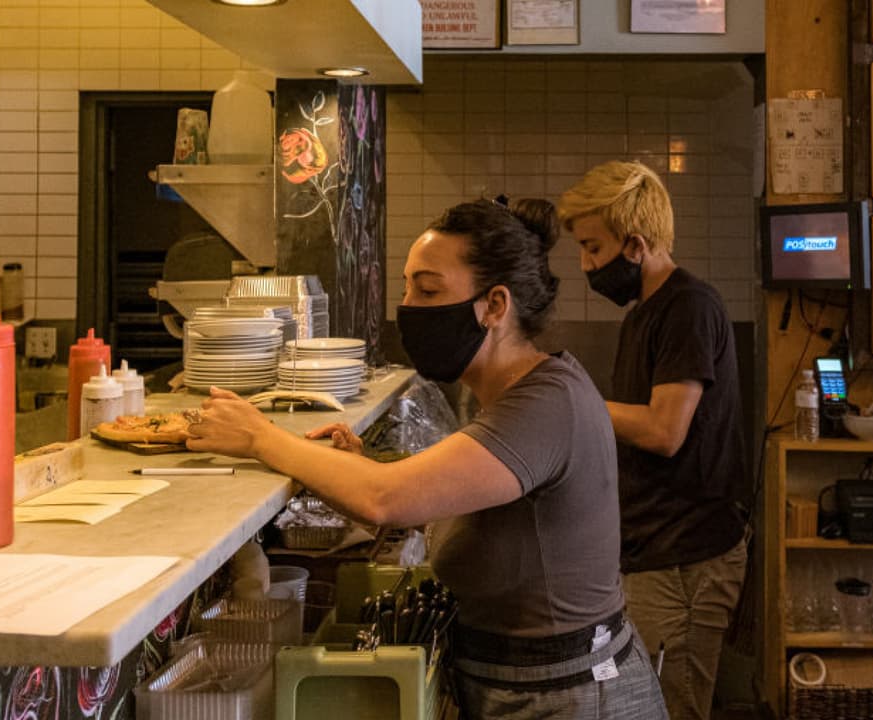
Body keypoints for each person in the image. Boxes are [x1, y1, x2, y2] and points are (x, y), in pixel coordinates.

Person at [187, 199, 667, 719]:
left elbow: (387, 499)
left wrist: (259, 436)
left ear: (495, 305)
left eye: (429, 290)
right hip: (523, 688)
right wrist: (353, 465)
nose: (409, 307)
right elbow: (427, 499)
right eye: (407, 289)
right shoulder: (505, 395)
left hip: (572, 697)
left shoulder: (547, 403)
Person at [559, 161, 748, 720]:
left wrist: (576, 403)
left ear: (636, 245)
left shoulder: (688, 307)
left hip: (685, 559)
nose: (586, 264)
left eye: (593, 248)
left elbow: (665, 431)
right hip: (655, 552)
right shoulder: (645, 313)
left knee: (674, 705)